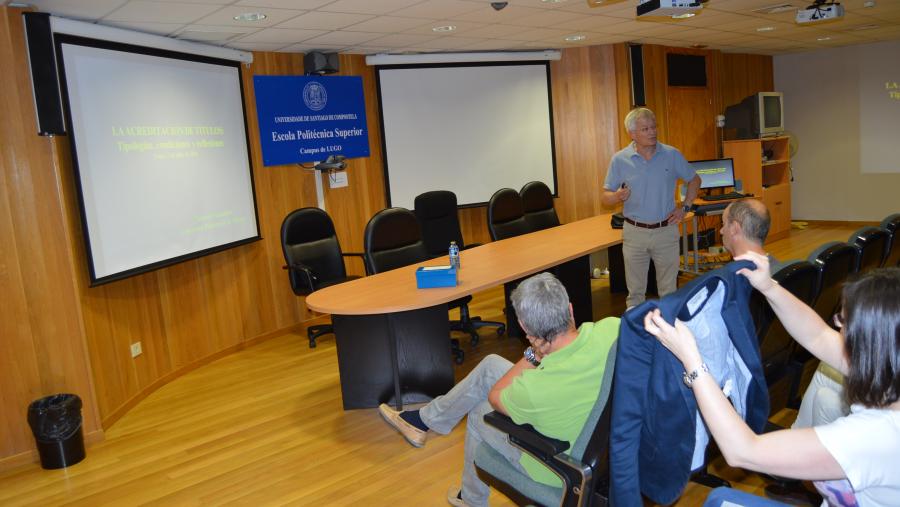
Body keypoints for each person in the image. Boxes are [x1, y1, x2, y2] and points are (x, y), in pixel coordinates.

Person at [643, 253, 900, 506]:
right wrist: (769, 286)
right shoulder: (887, 365)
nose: (836, 326)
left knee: (718, 501)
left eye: (843, 321)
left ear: (869, 342)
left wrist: (692, 360)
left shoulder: (875, 436)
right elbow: (818, 336)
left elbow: (742, 451)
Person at [377, 272, 619, 507]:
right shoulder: (613, 329)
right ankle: (423, 421)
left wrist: (533, 354)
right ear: (570, 309)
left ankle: (472, 499)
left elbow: (495, 397)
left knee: (480, 412)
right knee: (491, 364)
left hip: (557, 466)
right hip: (609, 444)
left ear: (525, 328)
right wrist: (539, 348)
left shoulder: (533, 391)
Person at [602, 107, 701, 308]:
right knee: (635, 294)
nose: (652, 132)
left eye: (654, 127)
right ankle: (637, 336)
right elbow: (605, 197)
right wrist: (617, 196)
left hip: (666, 231)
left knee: (669, 292)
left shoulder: (672, 155)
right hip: (634, 233)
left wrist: (685, 207)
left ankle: (669, 336)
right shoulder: (619, 159)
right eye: (645, 129)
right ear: (632, 134)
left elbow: (695, 180)